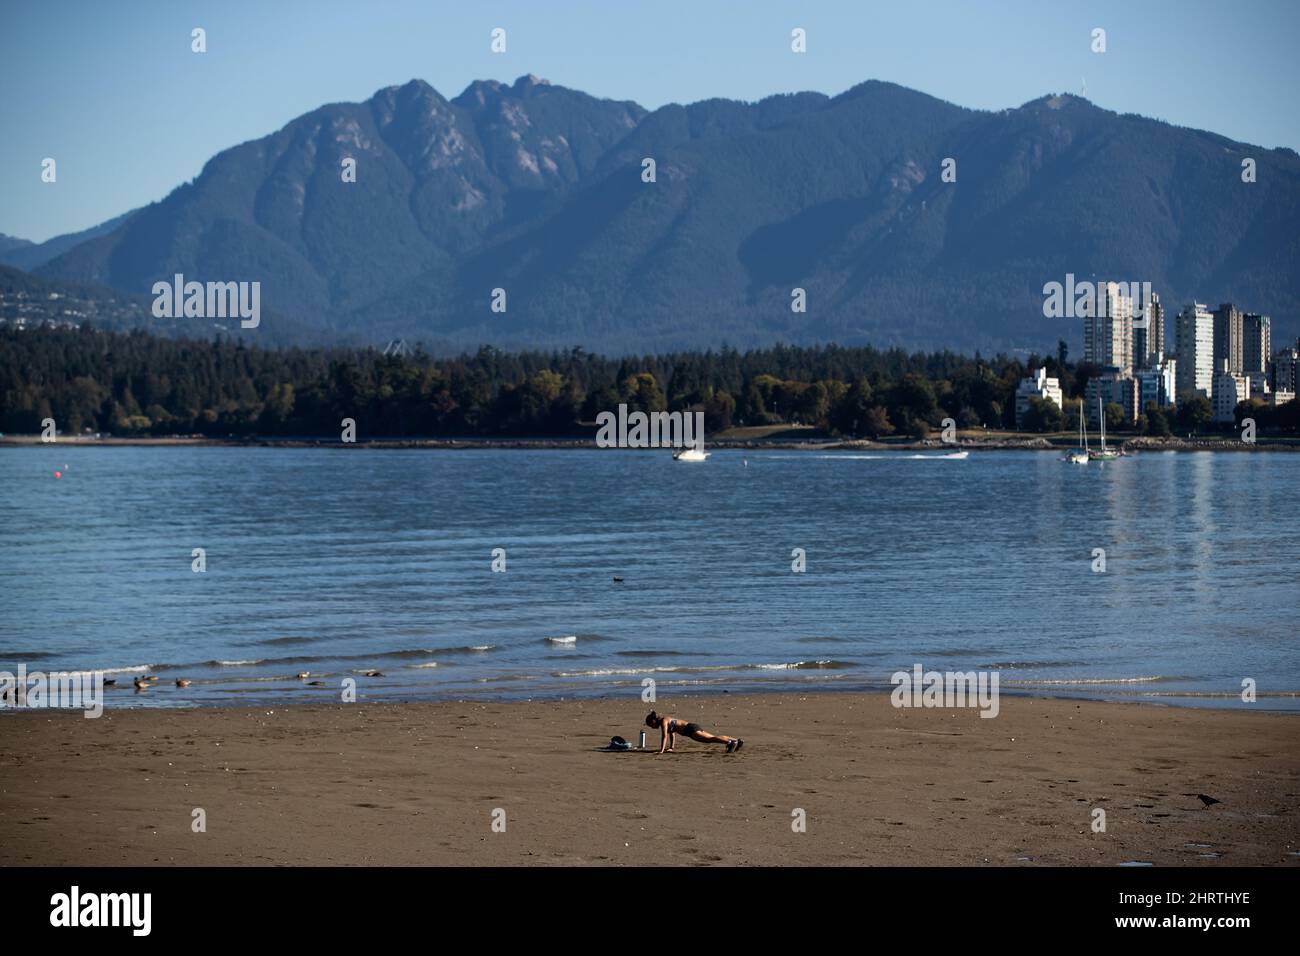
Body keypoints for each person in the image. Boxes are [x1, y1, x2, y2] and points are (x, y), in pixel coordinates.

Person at [645, 710, 743, 754]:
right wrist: (671, 747)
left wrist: (661, 751)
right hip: (691, 726)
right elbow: (672, 733)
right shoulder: (666, 719)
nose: (652, 727)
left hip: (690, 730)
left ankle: (730, 743)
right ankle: (736, 741)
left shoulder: (663, 722)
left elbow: (664, 736)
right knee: (712, 737)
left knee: (709, 739)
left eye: (651, 725)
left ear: (653, 721)